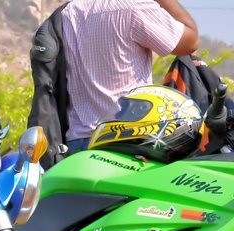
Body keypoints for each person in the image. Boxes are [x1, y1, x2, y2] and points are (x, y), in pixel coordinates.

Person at [60, 0, 199, 154]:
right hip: (123, 140)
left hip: (76, 143)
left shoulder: (70, 11)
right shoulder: (134, 6)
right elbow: (190, 41)